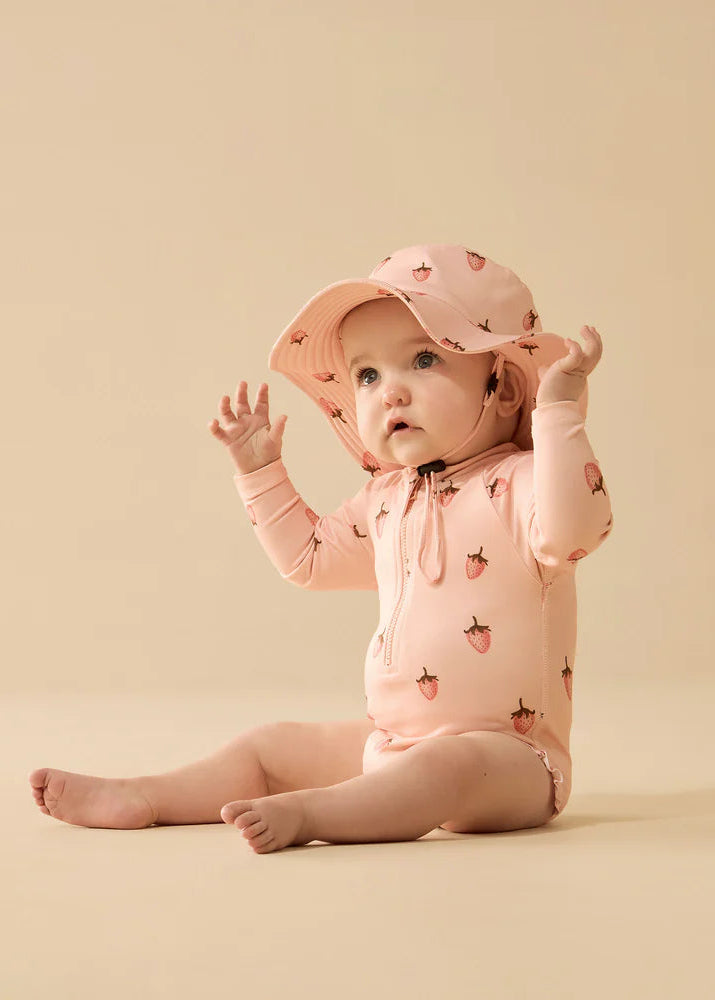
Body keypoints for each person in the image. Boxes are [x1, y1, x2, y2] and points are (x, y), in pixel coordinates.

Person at [29, 243, 613, 853]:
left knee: (443, 771)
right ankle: (148, 796)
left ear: (507, 391)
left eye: (423, 360)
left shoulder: (523, 483)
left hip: (512, 760)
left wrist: (560, 411)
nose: (390, 392)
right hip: (392, 740)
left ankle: (311, 815)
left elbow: (576, 529)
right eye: (368, 374)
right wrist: (261, 471)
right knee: (269, 745)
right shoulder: (387, 500)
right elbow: (307, 559)